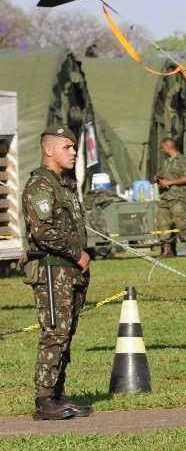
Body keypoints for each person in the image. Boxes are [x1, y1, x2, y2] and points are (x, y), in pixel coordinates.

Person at [21, 125, 93, 420]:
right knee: (55, 333)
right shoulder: (41, 185)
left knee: (67, 334)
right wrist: (77, 253)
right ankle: (44, 400)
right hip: (53, 271)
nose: (74, 152)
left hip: (71, 272)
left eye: (74, 147)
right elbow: (42, 232)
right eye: (67, 147)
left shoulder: (65, 185)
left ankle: (58, 394)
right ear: (48, 150)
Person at [155, 138, 186, 257]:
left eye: (162, 148)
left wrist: (170, 182)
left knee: (180, 223)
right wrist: (158, 179)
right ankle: (167, 249)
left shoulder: (183, 161)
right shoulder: (166, 162)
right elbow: (162, 175)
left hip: (178, 197)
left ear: (168, 147)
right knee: (162, 223)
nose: (162, 151)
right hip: (165, 198)